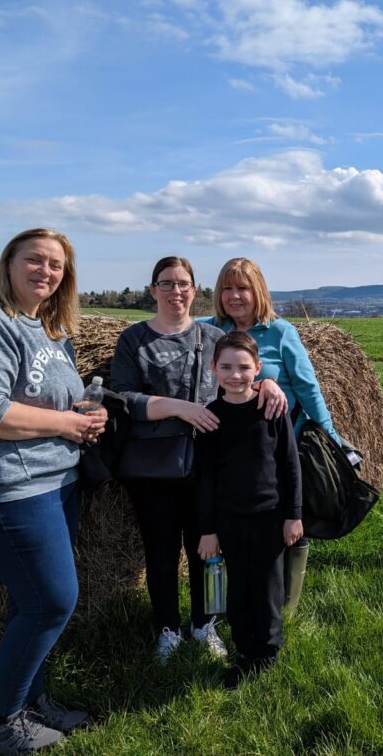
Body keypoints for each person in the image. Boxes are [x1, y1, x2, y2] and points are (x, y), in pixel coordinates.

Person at [0, 228, 106, 754]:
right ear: (8, 262)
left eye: (56, 265)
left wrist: (88, 414)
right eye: (34, 260)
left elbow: (64, 401)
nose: (46, 271)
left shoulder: (51, 330)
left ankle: (31, 701)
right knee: (52, 602)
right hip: (7, 489)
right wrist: (62, 424)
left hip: (56, 481)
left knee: (32, 603)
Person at [110, 256, 287, 663]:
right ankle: (168, 629)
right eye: (167, 284)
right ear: (153, 290)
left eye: (183, 284)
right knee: (161, 550)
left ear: (194, 290)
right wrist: (180, 408)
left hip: (212, 464)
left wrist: (269, 382)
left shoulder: (211, 336)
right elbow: (122, 398)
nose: (176, 291)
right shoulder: (134, 339)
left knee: (209, 551)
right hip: (155, 467)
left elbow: (237, 372)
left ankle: (204, 624)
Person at [198, 257, 340, 612]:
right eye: (227, 288)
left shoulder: (281, 332)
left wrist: (332, 441)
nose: (234, 296)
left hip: (277, 450)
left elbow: (309, 390)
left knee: (289, 525)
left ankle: (284, 605)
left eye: (242, 287)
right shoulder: (210, 330)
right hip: (231, 454)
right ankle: (237, 603)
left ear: (258, 291)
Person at [196, 331, 303, 687]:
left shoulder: (271, 410)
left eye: (243, 367)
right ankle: (244, 654)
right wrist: (208, 529)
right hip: (229, 520)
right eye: (226, 366)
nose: (235, 374)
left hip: (271, 518)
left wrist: (294, 515)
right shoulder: (210, 418)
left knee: (268, 589)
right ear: (213, 368)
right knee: (239, 590)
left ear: (258, 368)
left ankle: (268, 653)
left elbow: (290, 465)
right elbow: (206, 478)